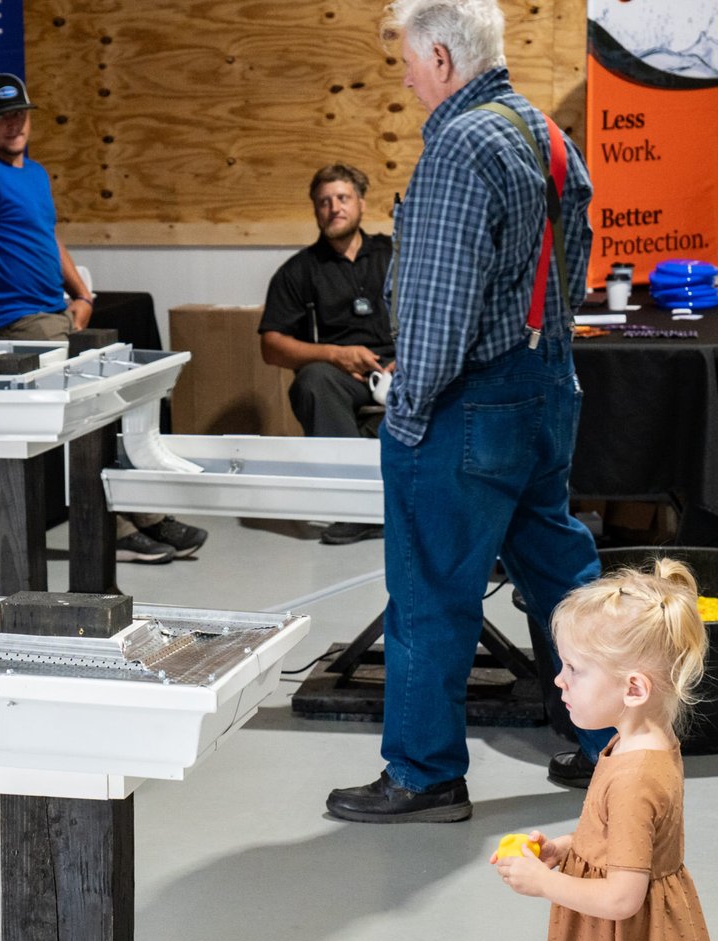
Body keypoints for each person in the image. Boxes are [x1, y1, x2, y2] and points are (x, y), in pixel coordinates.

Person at [326, 0, 609, 824]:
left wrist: (405, 411)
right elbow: (573, 265)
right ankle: (612, 748)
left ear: (443, 57)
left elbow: (441, 313)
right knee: (561, 579)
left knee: (430, 591)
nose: (406, 76)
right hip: (545, 387)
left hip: (468, 404)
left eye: (410, 61)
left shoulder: (457, 146)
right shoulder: (549, 138)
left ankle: (423, 774)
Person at [0, 72, 207, 565]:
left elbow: (48, 238)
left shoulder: (34, 174)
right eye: (0, 117)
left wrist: (83, 293)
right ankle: (122, 527)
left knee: (125, 397)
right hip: (20, 325)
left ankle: (141, 512)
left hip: (55, 316)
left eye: (19, 113)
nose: (14, 124)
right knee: (94, 410)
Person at [491, 560, 715, 941]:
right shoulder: (640, 742)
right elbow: (632, 843)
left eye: (574, 668)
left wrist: (542, 883)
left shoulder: (635, 778)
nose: (559, 680)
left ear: (633, 688)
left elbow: (620, 898)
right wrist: (566, 848)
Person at [259, 163, 395, 545]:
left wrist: (416, 359)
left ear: (361, 204)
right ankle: (356, 510)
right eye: (324, 201)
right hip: (342, 375)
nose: (334, 207)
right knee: (313, 381)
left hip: (406, 366)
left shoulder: (396, 254)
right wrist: (335, 356)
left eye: (342, 198)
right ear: (315, 210)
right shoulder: (299, 270)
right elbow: (271, 345)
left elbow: (440, 310)